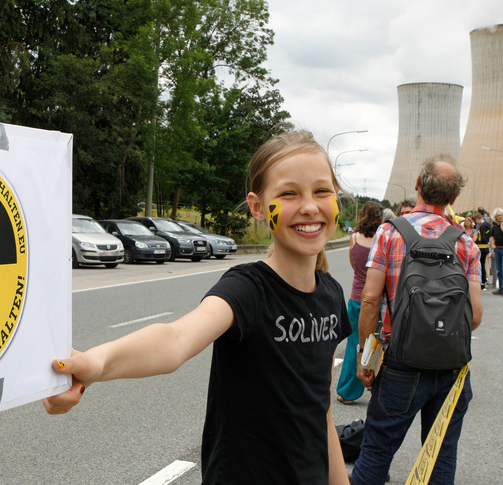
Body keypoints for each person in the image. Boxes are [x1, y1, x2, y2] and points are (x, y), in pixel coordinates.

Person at [43, 130, 353, 485]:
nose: (310, 206)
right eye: (288, 194)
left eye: (321, 191)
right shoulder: (248, 289)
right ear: (256, 207)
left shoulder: (331, 294)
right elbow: (175, 339)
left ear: (337, 199)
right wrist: (94, 364)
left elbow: (322, 412)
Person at [351, 157, 483, 485]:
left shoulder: (389, 233)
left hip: (400, 363)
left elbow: (369, 299)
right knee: (439, 456)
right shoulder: (465, 243)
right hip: (452, 366)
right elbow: (475, 316)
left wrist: (364, 357)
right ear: (453, 200)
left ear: (417, 185)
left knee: (378, 450)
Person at [336, 201, 384, 404]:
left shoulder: (353, 238)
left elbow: (354, 266)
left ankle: (346, 392)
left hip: (356, 298)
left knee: (354, 344)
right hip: (377, 300)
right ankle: (377, 388)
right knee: (378, 344)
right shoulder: (382, 240)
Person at [473, 212, 491, 290]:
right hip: (485, 247)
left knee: (481, 265)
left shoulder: (482, 226)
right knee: (483, 264)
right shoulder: (487, 224)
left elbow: (483, 237)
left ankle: (482, 282)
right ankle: (484, 280)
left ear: (478, 219)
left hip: (482, 247)